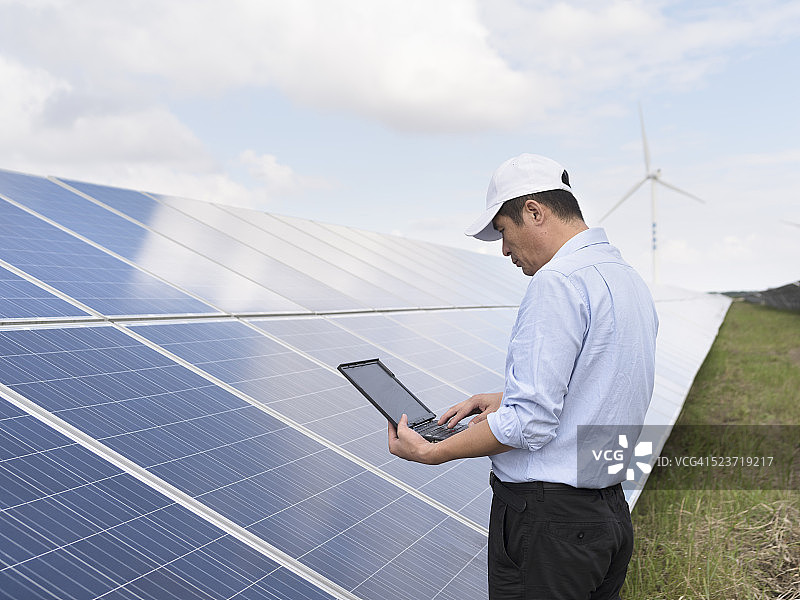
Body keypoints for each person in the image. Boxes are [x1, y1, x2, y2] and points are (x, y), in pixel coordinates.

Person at [388, 153, 658, 599]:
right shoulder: (627, 279)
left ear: (534, 210)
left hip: (549, 525)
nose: (505, 250)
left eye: (503, 230)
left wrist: (437, 451)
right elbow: (609, 381)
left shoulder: (557, 282)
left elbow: (529, 424)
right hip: (606, 514)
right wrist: (507, 397)